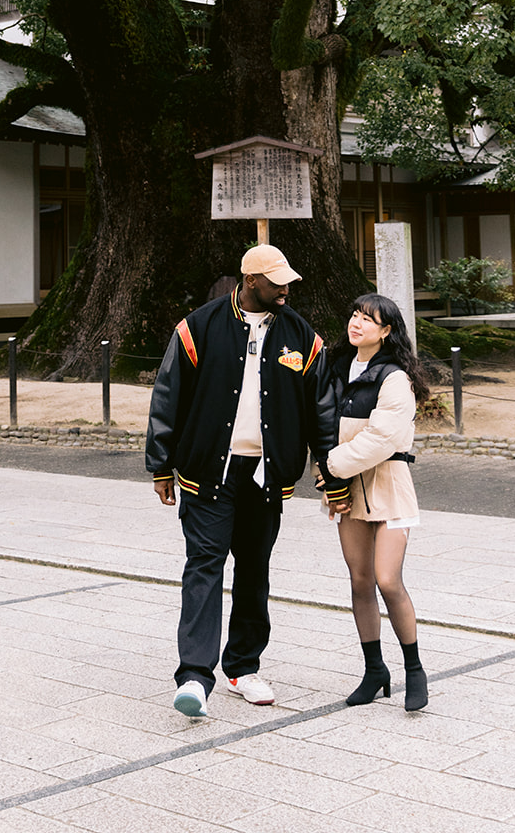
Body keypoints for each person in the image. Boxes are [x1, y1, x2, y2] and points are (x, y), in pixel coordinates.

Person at [146, 243, 337, 719]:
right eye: (277, 283)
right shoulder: (198, 327)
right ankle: (194, 674)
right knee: (205, 565)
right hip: (208, 471)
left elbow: (323, 410)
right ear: (251, 281)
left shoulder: (302, 337)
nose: (286, 290)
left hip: (267, 476)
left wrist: (331, 474)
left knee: (254, 570)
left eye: (288, 282)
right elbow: (167, 395)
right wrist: (160, 464)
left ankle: (243, 667)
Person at [321, 293, 431, 712]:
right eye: (354, 315)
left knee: (388, 580)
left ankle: (415, 670)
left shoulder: (394, 378)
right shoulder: (336, 369)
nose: (357, 323)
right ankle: (374, 670)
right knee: (360, 581)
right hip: (347, 489)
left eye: (368, 319)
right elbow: (320, 422)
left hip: (388, 486)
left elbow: (382, 439)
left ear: (386, 331)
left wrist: (331, 465)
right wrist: (327, 468)